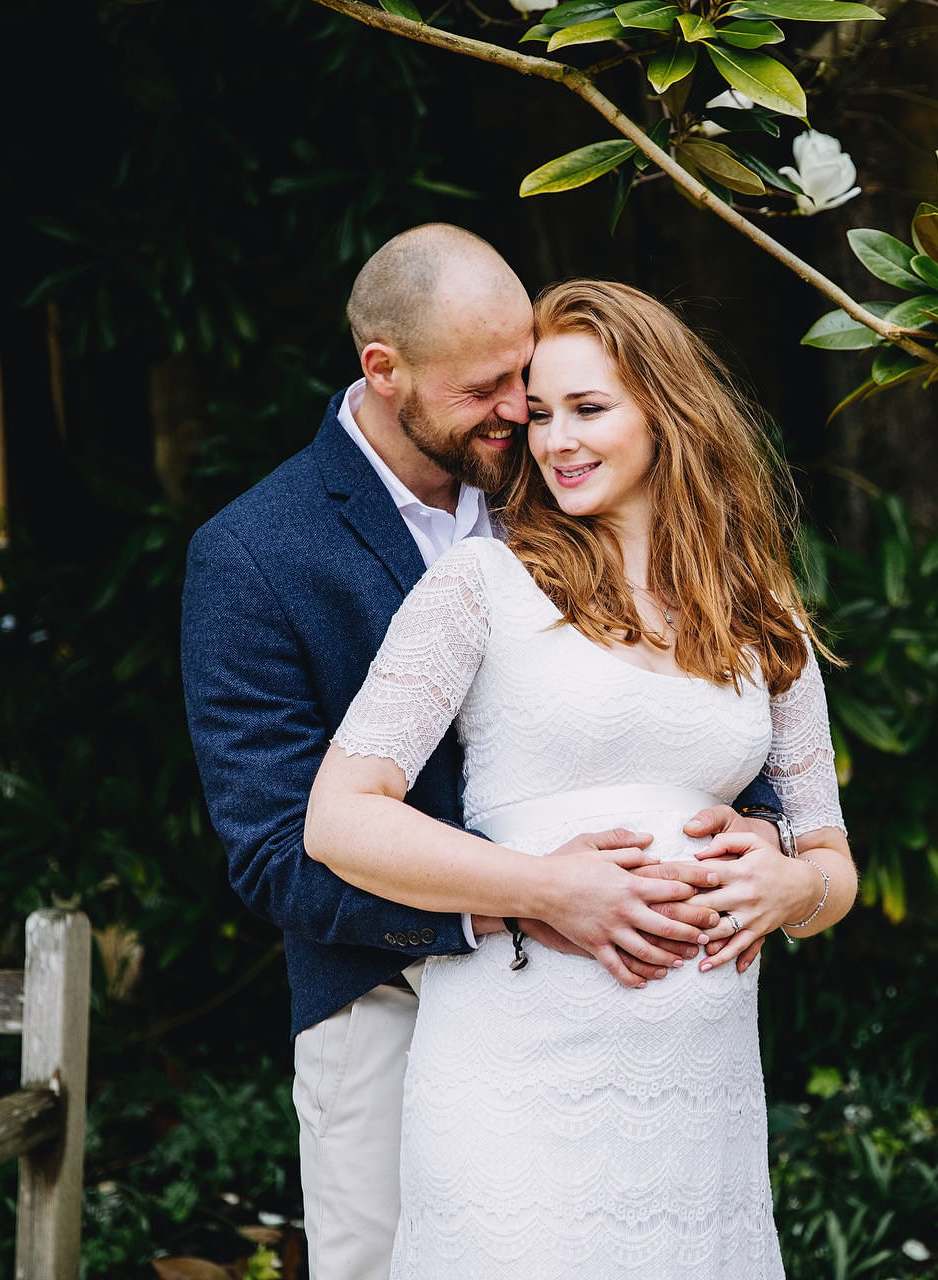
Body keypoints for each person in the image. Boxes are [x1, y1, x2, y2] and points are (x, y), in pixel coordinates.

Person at [180, 226, 793, 1280]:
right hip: (383, 987)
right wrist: (522, 894)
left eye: (528, 375)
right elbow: (278, 844)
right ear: (385, 370)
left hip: (625, 1014)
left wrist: (764, 838)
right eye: (487, 388)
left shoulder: (559, 479)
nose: (522, 409)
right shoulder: (254, 552)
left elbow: (706, 690)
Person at [304, 279, 858, 1277]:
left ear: (667, 411)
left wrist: (794, 887)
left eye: (589, 408)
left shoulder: (759, 608)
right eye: (543, 412)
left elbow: (829, 857)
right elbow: (340, 819)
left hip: (701, 1107)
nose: (555, 438)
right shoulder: (480, 585)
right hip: (515, 1086)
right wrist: (546, 885)